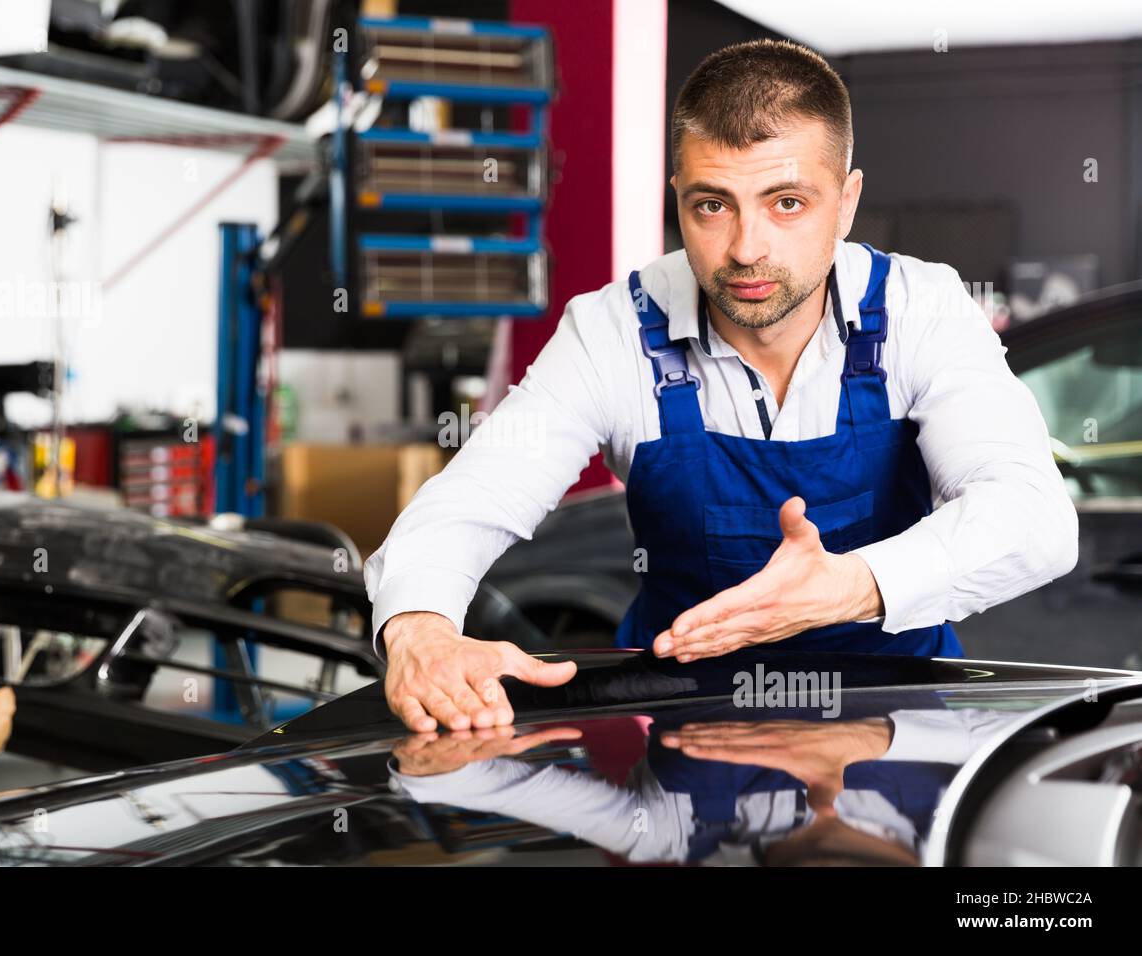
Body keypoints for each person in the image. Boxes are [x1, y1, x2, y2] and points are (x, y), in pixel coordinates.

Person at [364, 39, 1077, 732]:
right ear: (677, 198)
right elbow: (473, 499)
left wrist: (850, 586)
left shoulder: (922, 309)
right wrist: (421, 627)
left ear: (847, 200)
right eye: (713, 205)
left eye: (787, 202)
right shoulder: (612, 331)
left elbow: (1034, 518)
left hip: (902, 728)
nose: (745, 248)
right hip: (681, 737)